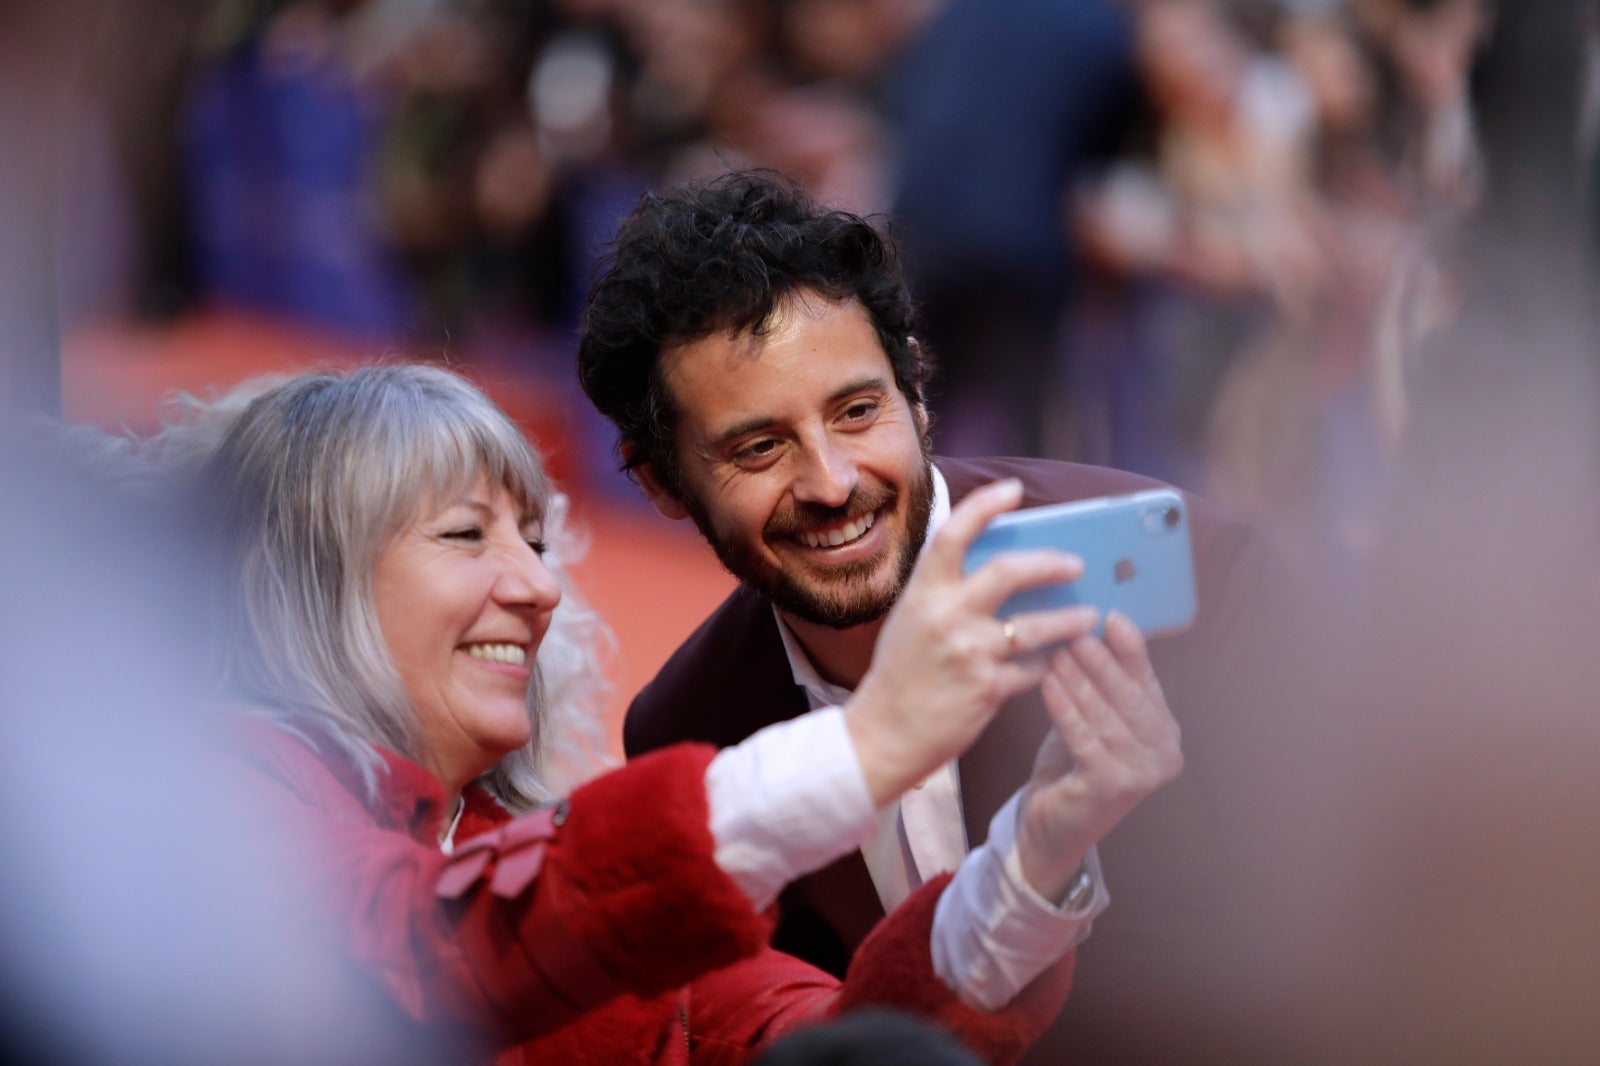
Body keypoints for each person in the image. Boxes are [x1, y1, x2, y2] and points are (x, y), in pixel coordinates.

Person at [181, 363, 1182, 1063]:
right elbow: (407, 954)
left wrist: (1037, 850)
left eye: (536, 541)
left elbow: (834, 1048)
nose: (537, 587)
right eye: (463, 533)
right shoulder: (217, 780)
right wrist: (865, 745)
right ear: (307, 582)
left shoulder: (547, 856)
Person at [577, 169, 1292, 1063]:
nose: (832, 483)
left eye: (858, 411)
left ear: (915, 388)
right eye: (759, 447)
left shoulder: (1197, 584)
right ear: (659, 482)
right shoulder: (691, 733)